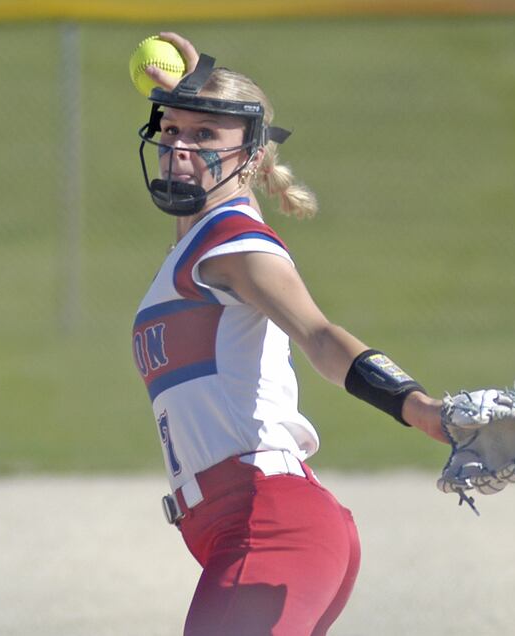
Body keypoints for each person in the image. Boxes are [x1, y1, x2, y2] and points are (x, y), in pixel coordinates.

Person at [131, 32, 449, 636]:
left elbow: (320, 336)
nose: (179, 149)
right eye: (171, 130)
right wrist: (204, 98)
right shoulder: (198, 245)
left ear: (249, 157)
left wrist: (420, 408)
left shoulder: (234, 244)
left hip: (270, 523)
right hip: (247, 524)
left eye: (204, 136)